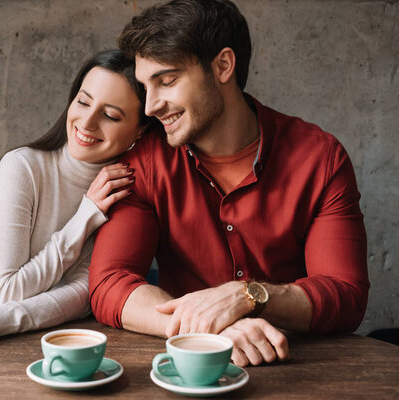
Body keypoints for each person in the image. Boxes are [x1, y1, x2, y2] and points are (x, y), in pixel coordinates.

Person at [88, 0, 369, 367]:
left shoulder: (320, 158)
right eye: (146, 86)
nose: (151, 106)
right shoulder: (144, 162)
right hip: (187, 367)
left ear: (223, 66)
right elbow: (110, 283)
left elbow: (345, 296)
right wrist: (206, 328)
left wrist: (248, 295)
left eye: (167, 81)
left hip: (298, 365)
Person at [0, 49, 157, 346]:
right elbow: (6, 294)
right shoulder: (22, 167)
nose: (87, 122)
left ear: (141, 129)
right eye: (83, 101)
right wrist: (86, 216)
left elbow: (85, 294)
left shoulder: (127, 191)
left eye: (109, 115)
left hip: (67, 331)